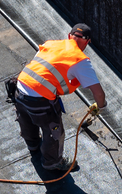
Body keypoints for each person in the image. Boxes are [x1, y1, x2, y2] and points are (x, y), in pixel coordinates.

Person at [13, 23, 107, 171]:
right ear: (87, 42)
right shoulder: (80, 60)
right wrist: (100, 107)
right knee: (54, 132)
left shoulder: (51, 44)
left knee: (26, 120)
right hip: (40, 99)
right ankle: (53, 162)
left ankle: (33, 145)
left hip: (20, 87)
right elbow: (98, 93)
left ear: (70, 36)